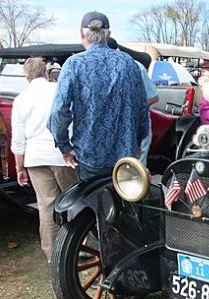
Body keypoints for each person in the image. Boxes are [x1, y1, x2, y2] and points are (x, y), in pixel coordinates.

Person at [48, 11, 149, 181]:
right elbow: (142, 109)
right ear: (108, 34)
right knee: (125, 197)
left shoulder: (74, 64)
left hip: (89, 155)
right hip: (126, 157)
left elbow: (59, 111)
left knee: (92, 198)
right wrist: (137, 142)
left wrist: (64, 147)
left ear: (81, 33)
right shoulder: (129, 63)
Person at [10, 57, 77, 263]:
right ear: (46, 72)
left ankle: (52, 255)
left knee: (46, 206)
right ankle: (79, 246)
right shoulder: (57, 91)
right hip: (61, 154)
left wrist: (19, 166)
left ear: (26, 76)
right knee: (74, 200)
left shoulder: (20, 99)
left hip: (35, 157)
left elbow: (18, 138)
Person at [108, 37, 158, 166]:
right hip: (111, 127)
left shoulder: (135, 67)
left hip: (135, 125)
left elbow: (153, 97)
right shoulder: (97, 69)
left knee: (135, 167)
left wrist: (128, 107)